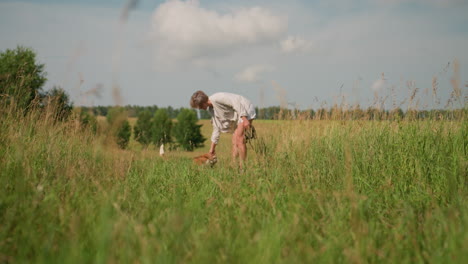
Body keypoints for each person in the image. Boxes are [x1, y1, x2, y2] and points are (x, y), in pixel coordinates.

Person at [190, 90, 256, 170]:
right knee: (234, 141)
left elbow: (235, 102)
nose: (200, 109)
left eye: (199, 107)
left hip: (245, 109)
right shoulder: (211, 110)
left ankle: (243, 168)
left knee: (239, 139)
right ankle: (234, 166)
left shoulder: (218, 98)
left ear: (202, 102)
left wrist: (244, 118)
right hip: (239, 115)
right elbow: (216, 128)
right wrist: (212, 150)